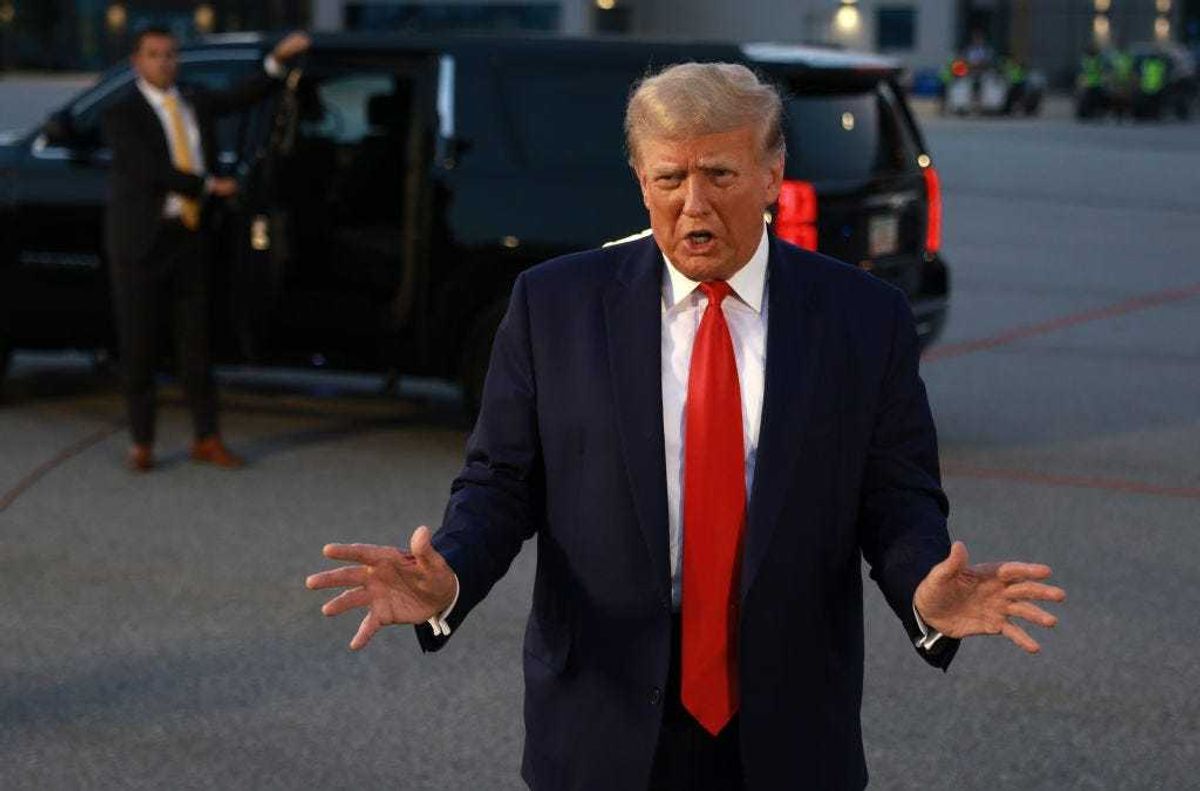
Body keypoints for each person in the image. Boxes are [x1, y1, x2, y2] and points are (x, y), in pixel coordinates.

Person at [306, 63, 1066, 790]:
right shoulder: (554, 306)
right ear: (641, 181)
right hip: (601, 713)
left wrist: (925, 594)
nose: (693, 204)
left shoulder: (863, 319)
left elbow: (896, 497)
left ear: (772, 176)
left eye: (721, 175)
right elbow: (501, 483)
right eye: (670, 178)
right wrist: (452, 573)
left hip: (789, 721)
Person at [101, 27, 311, 471]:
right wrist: (208, 185)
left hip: (190, 240)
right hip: (142, 243)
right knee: (138, 345)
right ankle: (142, 442)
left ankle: (207, 437)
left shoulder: (192, 99)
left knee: (196, 345)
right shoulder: (122, 114)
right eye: (154, 55)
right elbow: (150, 169)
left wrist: (276, 60)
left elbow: (239, 97)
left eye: (171, 54)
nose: (164, 62)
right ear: (137, 62)